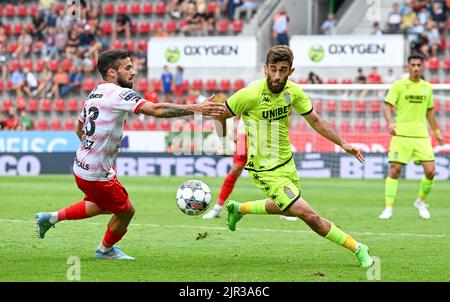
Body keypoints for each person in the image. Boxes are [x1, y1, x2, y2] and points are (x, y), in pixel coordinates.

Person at [35, 50, 225, 260]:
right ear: (112, 72)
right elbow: (156, 110)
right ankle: (105, 250)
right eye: (127, 68)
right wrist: (197, 108)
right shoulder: (118, 94)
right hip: (96, 174)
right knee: (126, 211)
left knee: (103, 205)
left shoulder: (94, 93)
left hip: (82, 166)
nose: (133, 72)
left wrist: (94, 150)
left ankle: (50, 218)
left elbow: (79, 130)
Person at [214, 45, 374, 268]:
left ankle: (238, 209)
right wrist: (221, 129)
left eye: (283, 70)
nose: (277, 75)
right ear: (265, 69)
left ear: (291, 71)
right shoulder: (250, 94)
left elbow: (316, 121)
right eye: (273, 69)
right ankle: (358, 247)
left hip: (287, 163)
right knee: (309, 215)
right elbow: (221, 116)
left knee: (284, 206)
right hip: (264, 170)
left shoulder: (294, 92)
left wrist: (343, 143)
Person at [203, 93, 298, 221]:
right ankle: (217, 208)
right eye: (274, 71)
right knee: (235, 170)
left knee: (275, 174)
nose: (277, 75)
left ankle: (284, 207)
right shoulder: (255, 88)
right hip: (246, 135)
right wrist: (236, 126)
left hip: (267, 137)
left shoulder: (285, 93)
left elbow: (289, 110)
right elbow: (240, 105)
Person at [379, 52, 445, 220]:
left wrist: (436, 132)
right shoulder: (398, 85)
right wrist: (390, 122)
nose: (416, 68)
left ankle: (420, 202)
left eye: (419, 65)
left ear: (423, 67)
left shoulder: (427, 87)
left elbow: (430, 111)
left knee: (431, 171)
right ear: (408, 67)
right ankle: (388, 208)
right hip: (401, 134)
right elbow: (387, 106)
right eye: (413, 65)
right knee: (395, 170)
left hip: (421, 136)